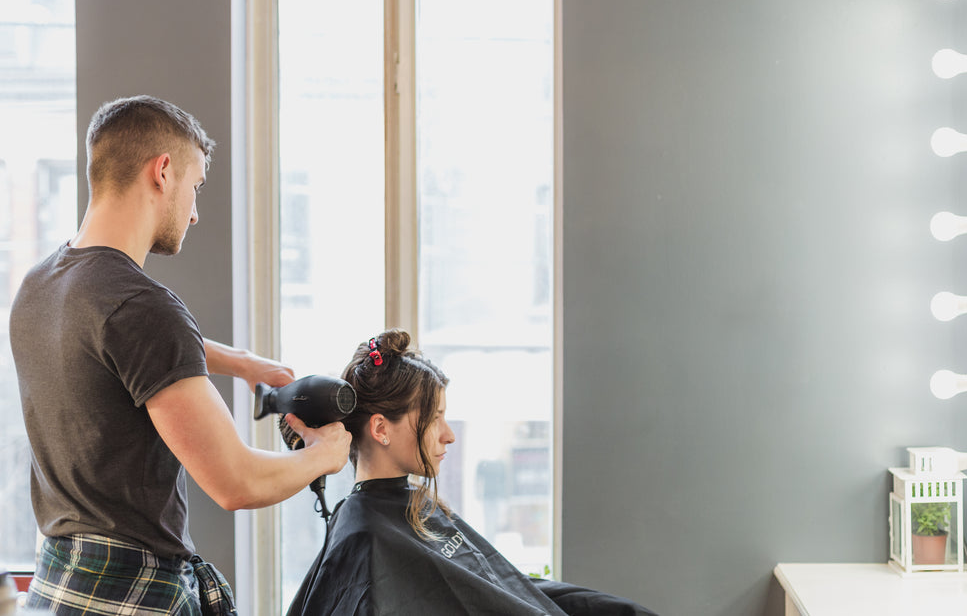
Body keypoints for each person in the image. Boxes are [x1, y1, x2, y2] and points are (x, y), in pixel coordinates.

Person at [8, 95, 353, 614]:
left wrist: (240, 362)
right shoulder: (143, 306)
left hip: (58, 587)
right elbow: (236, 482)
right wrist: (326, 455)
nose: (194, 214)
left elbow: (115, 344)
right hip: (130, 596)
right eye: (196, 188)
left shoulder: (41, 285)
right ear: (162, 172)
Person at [285, 329, 657, 615]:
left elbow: (502, 583)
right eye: (433, 420)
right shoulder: (365, 536)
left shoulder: (413, 506)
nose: (448, 436)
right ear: (381, 429)